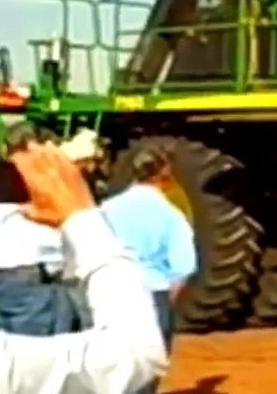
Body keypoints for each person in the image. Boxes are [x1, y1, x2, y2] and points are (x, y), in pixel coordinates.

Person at [0, 132, 168, 393]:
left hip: (0, 282)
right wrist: (80, 218)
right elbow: (133, 357)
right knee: (48, 365)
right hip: (37, 285)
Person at [0, 123, 77, 336]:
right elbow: (65, 234)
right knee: (42, 355)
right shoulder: (46, 183)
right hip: (37, 280)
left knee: (1, 353)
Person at [100, 147, 197, 394]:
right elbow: (184, 266)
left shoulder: (107, 209)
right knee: (147, 373)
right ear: (164, 173)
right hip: (153, 295)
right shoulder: (171, 215)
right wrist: (168, 298)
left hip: (113, 294)